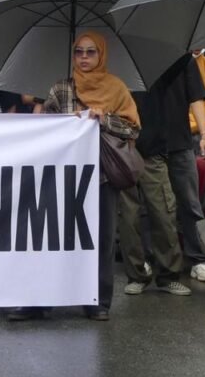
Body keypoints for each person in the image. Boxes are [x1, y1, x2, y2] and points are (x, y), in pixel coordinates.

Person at [10, 31, 140, 322]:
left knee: (101, 239)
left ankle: (97, 301)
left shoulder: (117, 90)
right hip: (64, 178)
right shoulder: (61, 89)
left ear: (101, 55)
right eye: (79, 52)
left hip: (102, 177)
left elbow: (133, 129)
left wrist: (103, 119)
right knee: (54, 238)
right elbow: (46, 130)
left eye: (90, 52)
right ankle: (41, 300)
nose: (83, 57)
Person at [119, 52, 205, 293]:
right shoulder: (127, 57)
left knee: (177, 207)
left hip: (170, 144)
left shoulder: (181, 59)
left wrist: (203, 135)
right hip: (135, 145)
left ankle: (187, 263)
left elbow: (196, 97)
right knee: (139, 212)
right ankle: (143, 269)